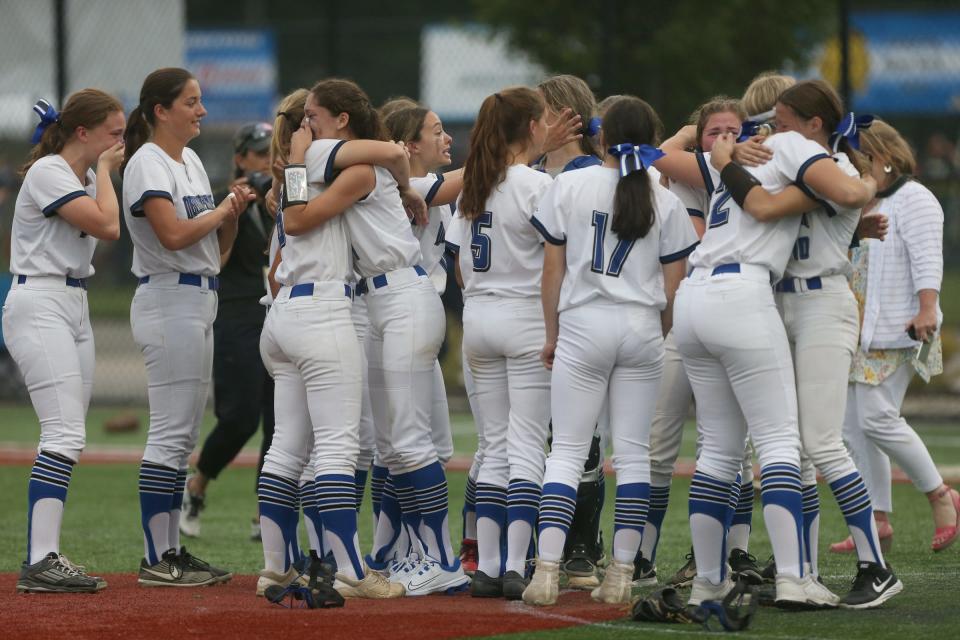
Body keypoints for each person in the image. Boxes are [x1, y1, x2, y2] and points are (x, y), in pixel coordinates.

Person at [656, 86, 876, 608]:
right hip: (742, 292)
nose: (770, 124)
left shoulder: (740, 149)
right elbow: (840, 193)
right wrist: (868, 180)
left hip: (694, 296)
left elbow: (758, 191)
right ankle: (795, 579)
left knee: (717, 452)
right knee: (779, 443)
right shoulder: (797, 146)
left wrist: (723, 153)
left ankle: (710, 580)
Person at [709, 80, 902, 608]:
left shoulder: (829, 166)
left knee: (820, 440)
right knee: (788, 450)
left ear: (814, 124)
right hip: (779, 301)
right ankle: (803, 570)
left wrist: (865, 187)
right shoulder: (798, 158)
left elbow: (807, 201)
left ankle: (875, 566)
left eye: (785, 119)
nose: (774, 129)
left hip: (821, 304)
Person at [283, 78, 468, 596]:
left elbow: (385, 152)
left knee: (407, 440)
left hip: (404, 296)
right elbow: (390, 152)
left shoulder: (327, 153)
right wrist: (406, 185)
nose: (305, 123)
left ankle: (444, 560)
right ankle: (417, 554)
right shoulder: (347, 155)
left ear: (341, 120)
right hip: (386, 299)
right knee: (391, 443)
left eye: (314, 114)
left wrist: (301, 157)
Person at [521, 96, 698, 606]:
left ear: (601, 137)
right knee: (634, 454)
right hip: (641, 326)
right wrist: (657, 331)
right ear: (652, 140)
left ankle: (548, 571)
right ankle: (620, 573)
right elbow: (673, 284)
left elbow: (551, 270)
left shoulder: (570, 184)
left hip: (583, 323)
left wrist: (552, 332)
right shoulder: (663, 198)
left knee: (568, 451)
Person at [122, 67, 251, 587]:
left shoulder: (191, 160)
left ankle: (172, 548)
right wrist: (223, 207)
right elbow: (173, 236)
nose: (200, 110)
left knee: (185, 435)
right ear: (161, 110)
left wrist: (233, 214)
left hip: (198, 295)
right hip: (167, 296)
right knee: (170, 433)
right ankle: (158, 557)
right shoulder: (146, 163)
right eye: (191, 102)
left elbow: (213, 255)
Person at [4, 90, 125, 593]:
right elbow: (108, 227)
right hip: (40, 300)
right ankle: (39, 559)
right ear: (83, 132)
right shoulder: (51, 171)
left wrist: (102, 173)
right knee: (63, 433)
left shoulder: (89, 175)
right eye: (113, 132)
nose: (120, 140)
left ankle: (45, 555)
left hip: (73, 302)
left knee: (68, 434)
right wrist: (106, 173)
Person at [445, 86, 552, 600]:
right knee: (527, 443)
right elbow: (559, 258)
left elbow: (462, 271)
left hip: (479, 318)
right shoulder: (536, 184)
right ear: (531, 127)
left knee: (492, 446)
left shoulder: (472, 185)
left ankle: (485, 566)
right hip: (525, 314)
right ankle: (513, 565)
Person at [834, 119, 959, 556]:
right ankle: (876, 518)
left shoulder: (915, 198)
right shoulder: (860, 200)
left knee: (875, 419)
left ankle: (942, 497)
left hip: (900, 328)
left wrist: (927, 308)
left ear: (882, 157)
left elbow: (929, 258)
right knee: (853, 428)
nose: (851, 165)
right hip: (859, 331)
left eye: (857, 157)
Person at [181, 121, 277, 541]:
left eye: (274, 152)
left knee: (281, 419)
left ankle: (266, 508)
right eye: (259, 153)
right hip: (239, 311)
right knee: (240, 417)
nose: (267, 160)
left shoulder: (285, 194)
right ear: (240, 158)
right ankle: (198, 483)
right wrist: (240, 202)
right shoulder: (227, 198)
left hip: (280, 310)